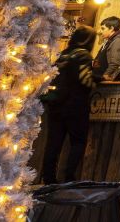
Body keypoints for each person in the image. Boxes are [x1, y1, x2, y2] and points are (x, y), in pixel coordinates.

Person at [40, 25, 97, 184]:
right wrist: (98, 79)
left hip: (56, 105)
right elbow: (85, 80)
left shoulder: (63, 55)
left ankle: (49, 178)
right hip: (75, 106)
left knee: (53, 143)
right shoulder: (83, 56)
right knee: (78, 142)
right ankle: (69, 177)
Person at [93, 16, 120, 81]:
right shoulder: (110, 40)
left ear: (111, 28)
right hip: (99, 78)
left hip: (106, 80)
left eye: (103, 28)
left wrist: (106, 75)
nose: (100, 31)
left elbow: (116, 62)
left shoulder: (119, 41)